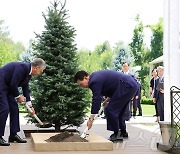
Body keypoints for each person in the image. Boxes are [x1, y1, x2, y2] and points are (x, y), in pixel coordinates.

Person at [74, 70, 138, 141]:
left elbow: (96, 99)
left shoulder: (93, 81)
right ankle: (123, 131)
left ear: (86, 78)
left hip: (126, 86)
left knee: (111, 109)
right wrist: (107, 99)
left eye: (81, 84)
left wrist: (91, 119)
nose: (82, 86)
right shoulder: (95, 77)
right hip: (131, 85)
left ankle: (116, 134)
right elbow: (112, 86)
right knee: (119, 110)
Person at [0, 58, 46, 146]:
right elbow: (13, 83)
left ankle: (13, 135)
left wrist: (30, 105)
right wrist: (18, 96)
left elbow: (25, 89)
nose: (41, 73)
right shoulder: (22, 67)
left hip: (8, 88)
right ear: (36, 68)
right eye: (41, 70)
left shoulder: (28, 74)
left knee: (14, 109)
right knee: (4, 109)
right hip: (1, 85)